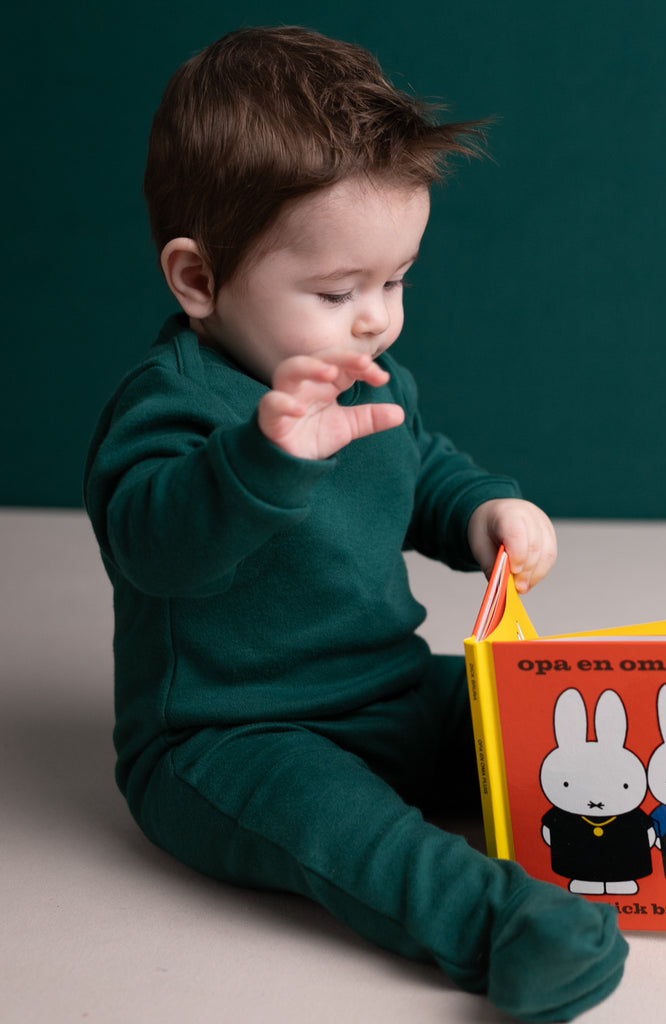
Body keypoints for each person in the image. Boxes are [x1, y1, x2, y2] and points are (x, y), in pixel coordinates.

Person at [83, 26, 628, 1023]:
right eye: (337, 292)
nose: (376, 317)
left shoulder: (368, 372)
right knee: (359, 838)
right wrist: (261, 458)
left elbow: (419, 470)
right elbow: (151, 543)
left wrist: (485, 513)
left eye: (396, 279)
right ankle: (505, 928)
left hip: (382, 688)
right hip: (229, 737)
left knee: (530, 710)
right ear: (199, 280)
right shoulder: (170, 403)